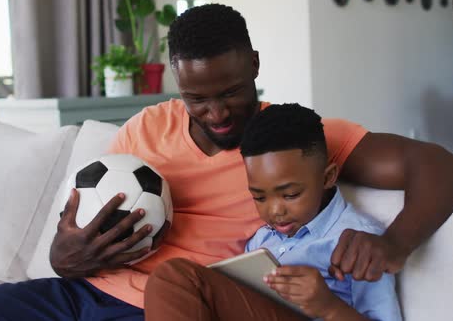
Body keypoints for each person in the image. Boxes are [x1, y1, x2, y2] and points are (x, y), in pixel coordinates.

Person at [0, 4, 453, 320]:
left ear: (254, 65)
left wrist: (395, 243)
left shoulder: (295, 140)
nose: (217, 112)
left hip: (174, 307)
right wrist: (65, 255)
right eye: (196, 98)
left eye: (230, 91)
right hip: (83, 292)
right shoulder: (146, 128)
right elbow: (80, 225)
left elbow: (440, 165)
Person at [144, 103, 402, 320]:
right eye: (259, 197)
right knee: (174, 282)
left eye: (290, 195)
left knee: (175, 277)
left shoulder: (358, 243)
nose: (275, 210)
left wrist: (329, 307)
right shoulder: (261, 241)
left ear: (328, 177)